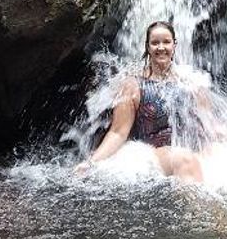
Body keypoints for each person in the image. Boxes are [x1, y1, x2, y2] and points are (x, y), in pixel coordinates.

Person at [76, 21, 207, 182]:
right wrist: (91, 163)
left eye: (166, 42)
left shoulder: (191, 84)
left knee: (213, 153)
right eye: (155, 43)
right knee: (185, 159)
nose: (161, 48)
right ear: (147, 47)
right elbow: (118, 132)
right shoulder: (132, 86)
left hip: (189, 151)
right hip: (153, 155)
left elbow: (210, 126)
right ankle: (197, 207)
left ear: (174, 45)